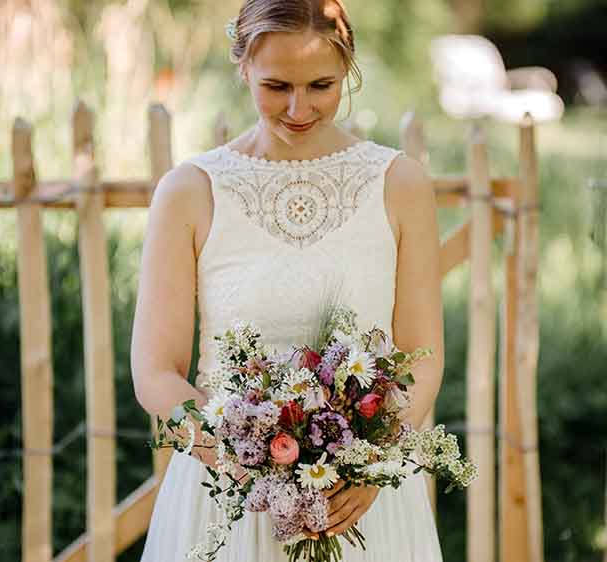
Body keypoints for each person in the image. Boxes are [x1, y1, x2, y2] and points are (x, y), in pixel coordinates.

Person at [131, 0, 445, 559]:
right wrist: (242, 457)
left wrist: (371, 463)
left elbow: (420, 356)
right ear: (243, 67)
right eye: (277, 86)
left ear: (347, 70)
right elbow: (155, 372)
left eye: (321, 85)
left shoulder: (401, 185)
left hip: (362, 501)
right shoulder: (189, 191)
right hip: (229, 502)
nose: (299, 108)